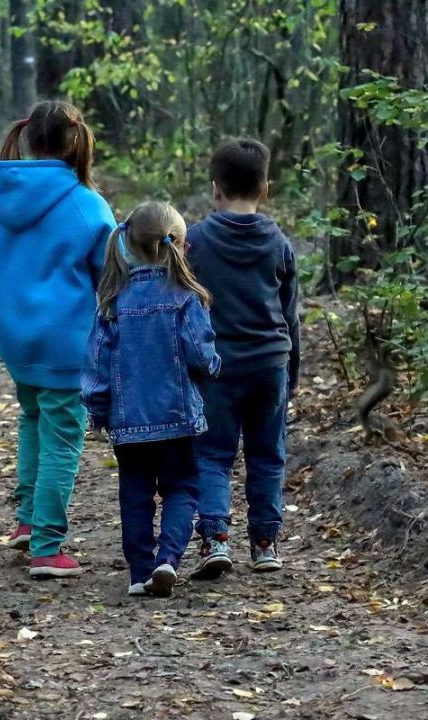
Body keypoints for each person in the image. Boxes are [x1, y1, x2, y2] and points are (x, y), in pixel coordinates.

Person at [0, 100, 115, 579]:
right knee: (64, 436)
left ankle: (26, 521)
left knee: (31, 416)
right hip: (67, 341)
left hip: (14, 338)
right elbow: (109, 273)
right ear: (75, 141)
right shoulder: (86, 204)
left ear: (26, 139)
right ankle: (47, 545)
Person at [81, 202, 221, 597]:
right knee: (183, 488)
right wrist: (212, 368)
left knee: (135, 494)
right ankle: (168, 559)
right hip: (179, 419)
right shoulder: (186, 297)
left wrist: (98, 407)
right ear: (179, 243)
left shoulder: (112, 300)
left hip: (129, 423)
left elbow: (97, 362)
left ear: (128, 243)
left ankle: (140, 572)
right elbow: (199, 354)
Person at [187, 138, 300, 578]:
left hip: (216, 366)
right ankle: (266, 543)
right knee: (267, 454)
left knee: (212, 453)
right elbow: (289, 314)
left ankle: (215, 538)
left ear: (215, 189)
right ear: (266, 188)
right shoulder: (279, 244)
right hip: (270, 362)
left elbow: (184, 306)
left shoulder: (194, 241)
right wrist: (292, 370)